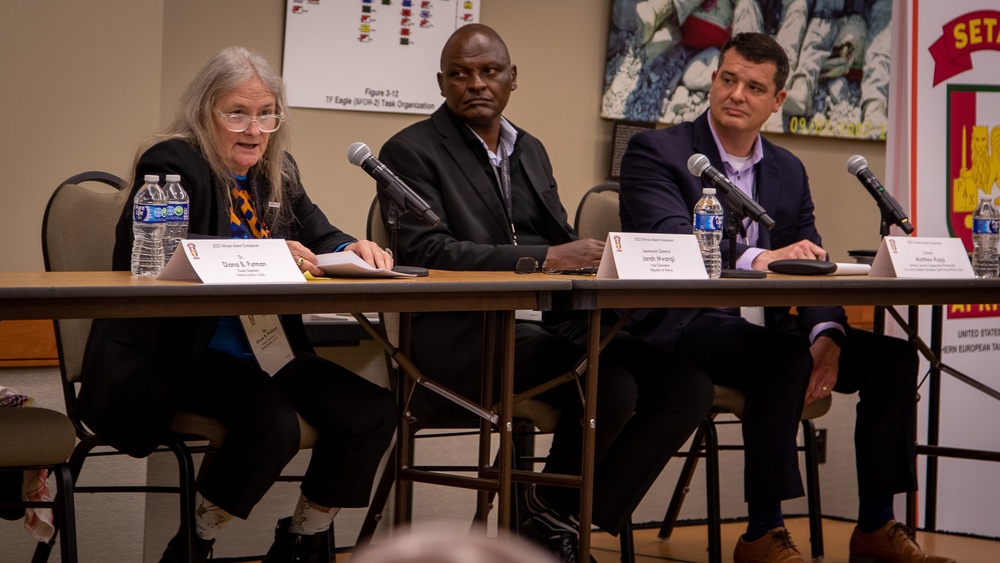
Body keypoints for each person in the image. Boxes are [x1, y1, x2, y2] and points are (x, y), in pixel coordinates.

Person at [377, 24, 714, 563]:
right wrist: (546, 258)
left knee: (686, 386)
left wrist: (608, 260)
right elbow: (426, 253)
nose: (476, 84)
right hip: (465, 336)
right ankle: (554, 523)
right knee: (612, 386)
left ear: (513, 79)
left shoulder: (528, 149)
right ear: (441, 83)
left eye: (490, 71)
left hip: (549, 325)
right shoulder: (409, 151)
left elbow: (558, 238)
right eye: (461, 74)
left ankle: (556, 515)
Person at [618, 32, 954, 563]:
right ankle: (763, 533)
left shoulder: (787, 169)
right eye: (728, 80)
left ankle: (875, 525)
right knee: (782, 358)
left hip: (768, 328)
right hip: (684, 325)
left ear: (776, 101)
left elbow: (811, 260)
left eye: (754, 87)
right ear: (714, 81)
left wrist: (829, 334)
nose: (736, 94)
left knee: (893, 359)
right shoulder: (658, 151)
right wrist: (759, 258)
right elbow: (677, 243)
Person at [75, 46, 397, 563]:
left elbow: (319, 232)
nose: (254, 129)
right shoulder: (172, 161)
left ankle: (299, 539)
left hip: (269, 355)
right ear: (206, 112)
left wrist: (348, 248)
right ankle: (193, 544)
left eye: (267, 114)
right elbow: (171, 248)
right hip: (183, 355)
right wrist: (269, 251)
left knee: (373, 411)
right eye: (238, 113)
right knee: (271, 423)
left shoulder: (277, 170)